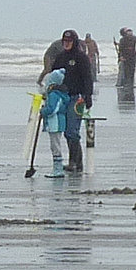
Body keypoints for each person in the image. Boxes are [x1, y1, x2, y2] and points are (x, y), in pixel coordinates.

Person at [43, 30, 94, 173]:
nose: (66, 44)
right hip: (62, 97)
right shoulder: (60, 57)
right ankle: (76, 162)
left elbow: (87, 78)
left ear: (75, 42)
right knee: (65, 131)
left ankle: (75, 162)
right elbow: (53, 76)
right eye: (64, 41)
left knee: (72, 131)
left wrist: (88, 96)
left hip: (77, 98)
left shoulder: (81, 58)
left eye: (69, 41)